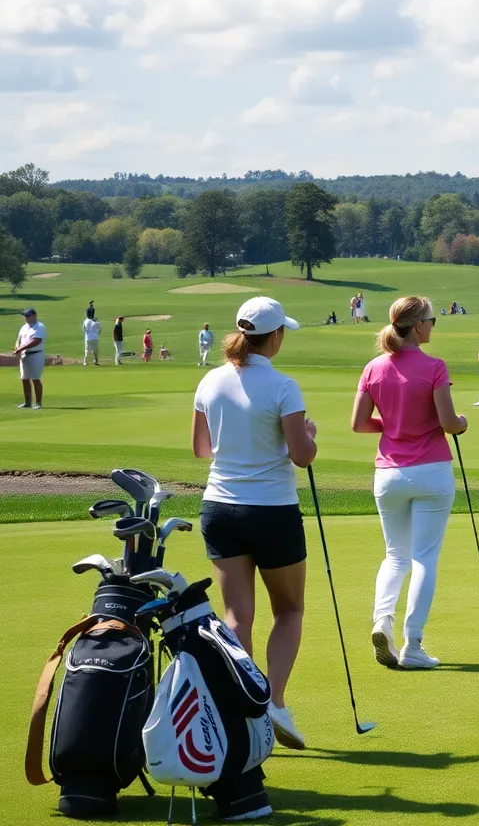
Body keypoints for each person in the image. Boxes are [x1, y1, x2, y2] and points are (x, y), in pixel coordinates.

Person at [191, 296, 314, 750]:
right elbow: (302, 456)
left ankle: (241, 708)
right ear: (275, 336)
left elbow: (202, 449)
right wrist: (310, 438)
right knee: (289, 609)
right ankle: (274, 701)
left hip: (220, 508)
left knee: (237, 616)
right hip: (273, 510)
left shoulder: (210, 380)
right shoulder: (284, 385)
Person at [352, 296, 467, 670]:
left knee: (395, 556)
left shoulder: (373, 367)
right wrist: (462, 422)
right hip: (432, 471)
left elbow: (360, 424)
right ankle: (413, 644)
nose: (434, 325)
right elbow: (449, 423)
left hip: (389, 475)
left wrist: (396, 426)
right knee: (423, 558)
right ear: (418, 326)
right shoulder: (434, 366)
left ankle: (381, 621)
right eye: (432, 320)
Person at [14, 308, 45, 410]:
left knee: (35, 378)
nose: (26, 318)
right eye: (25, 316)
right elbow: (19, 339)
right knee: (25, 379)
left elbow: (36, 341)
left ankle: (38, 403)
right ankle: (27, 402)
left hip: (36, 354)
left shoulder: (39, 327)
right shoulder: (24, 327)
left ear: (34, 316)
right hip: (24, 355)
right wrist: (17, 347)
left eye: (28, 316)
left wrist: (21, 348)